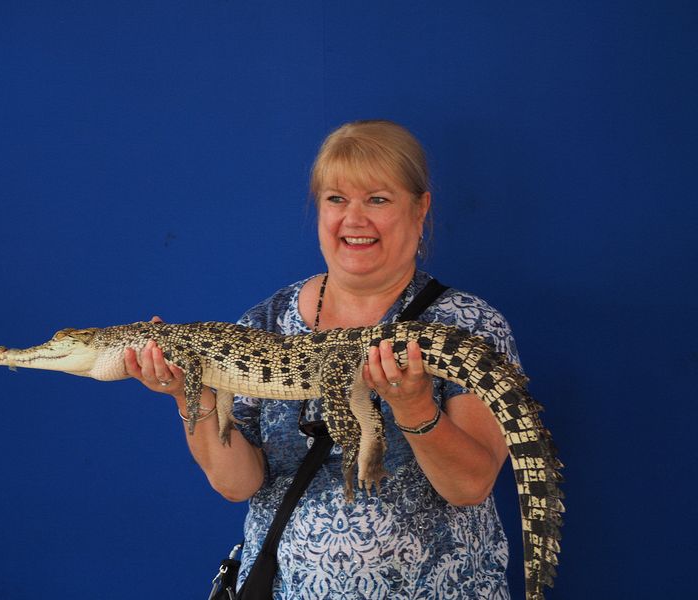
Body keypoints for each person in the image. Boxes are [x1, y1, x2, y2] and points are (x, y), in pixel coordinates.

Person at [124, 120, 521, 598]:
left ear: (420, 209)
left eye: (377, 199)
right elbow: (238, 483)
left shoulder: (466, 326)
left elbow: (471, 485)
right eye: (336, 199)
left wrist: (415, 408)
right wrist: (190, 395)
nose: (354, 220)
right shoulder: (263, 323)